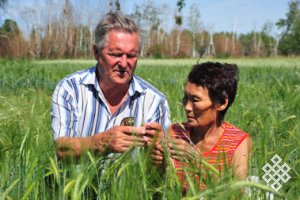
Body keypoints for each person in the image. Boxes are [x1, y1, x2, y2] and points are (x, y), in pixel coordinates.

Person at [51, 12, 170, 159]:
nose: (124, 64)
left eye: (131, 56)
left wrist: (159, 154)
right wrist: (102, 142)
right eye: (115, 54)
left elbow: (160, 172)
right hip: (76, 182)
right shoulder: (70, 90)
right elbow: (62, 149)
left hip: (130, 183)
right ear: (96, 52)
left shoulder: (155, 102)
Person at [151, 62, 252, 190]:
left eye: (195, 100)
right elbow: (163, 186)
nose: (187, 107)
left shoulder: (239, 143)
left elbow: (237, 194)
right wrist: (157, 163)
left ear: (221, 103)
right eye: (186, 98)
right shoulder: (175, 133)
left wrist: (197, 162)